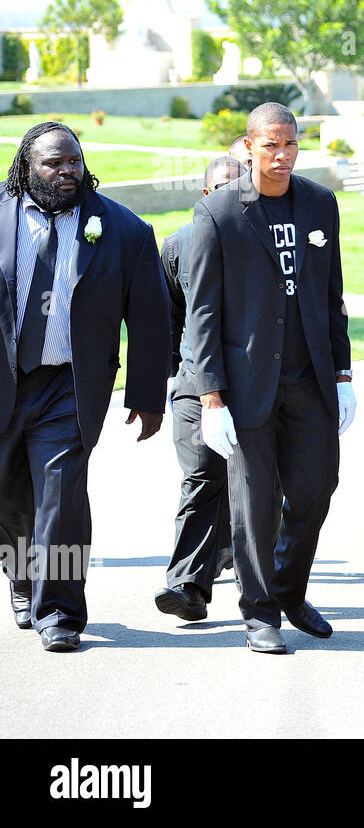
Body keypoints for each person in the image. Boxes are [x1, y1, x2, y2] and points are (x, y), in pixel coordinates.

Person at [188, 102, 355, 655]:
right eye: (271, 145)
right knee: (255, 500)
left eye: (291, 145)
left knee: (316, 487)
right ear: (247, 146)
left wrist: (344, 371)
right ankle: (258, 612)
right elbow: (203, 312)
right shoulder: (218, 214)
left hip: (310, 379)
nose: (282, 156)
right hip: (246, 384)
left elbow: (331, 294)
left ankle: (288, 588)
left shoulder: (319, 204)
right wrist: (211, 397)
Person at [0, 122, 170, 651]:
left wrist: (146, 396)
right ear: (28, 166)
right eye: (55, 163)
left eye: (74, 160)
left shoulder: (123, 230)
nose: (68, 171)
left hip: (70, 387)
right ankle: (24, 576)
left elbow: (149, 318)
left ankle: (60, 612)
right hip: (4, 381)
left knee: (60, 498)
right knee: (8, 498)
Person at [154, 155, 249, 622]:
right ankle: (186, 585)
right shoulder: (178, 245)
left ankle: (259, 583)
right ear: (205, 195)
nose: (228, 194)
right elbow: (168, 317)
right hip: (195, 383)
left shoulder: (263, 241)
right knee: (203, 474)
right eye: (219, 189)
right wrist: (168, 375)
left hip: (253, 384)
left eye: (238, 186)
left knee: (251, 487)